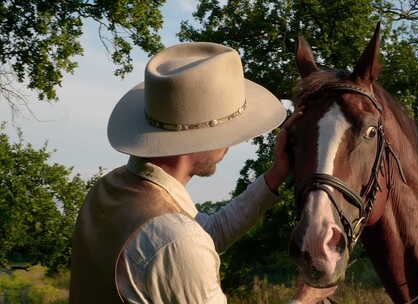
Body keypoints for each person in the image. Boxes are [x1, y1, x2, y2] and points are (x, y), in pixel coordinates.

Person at [69, 42, 336, 303]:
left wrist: (277, 173)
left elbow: (207, 231)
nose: (233, 142)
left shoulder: (107, 190)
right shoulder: (177, 241)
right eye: (229, 130)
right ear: (201, 139)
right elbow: (182, 242)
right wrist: (305, 300)